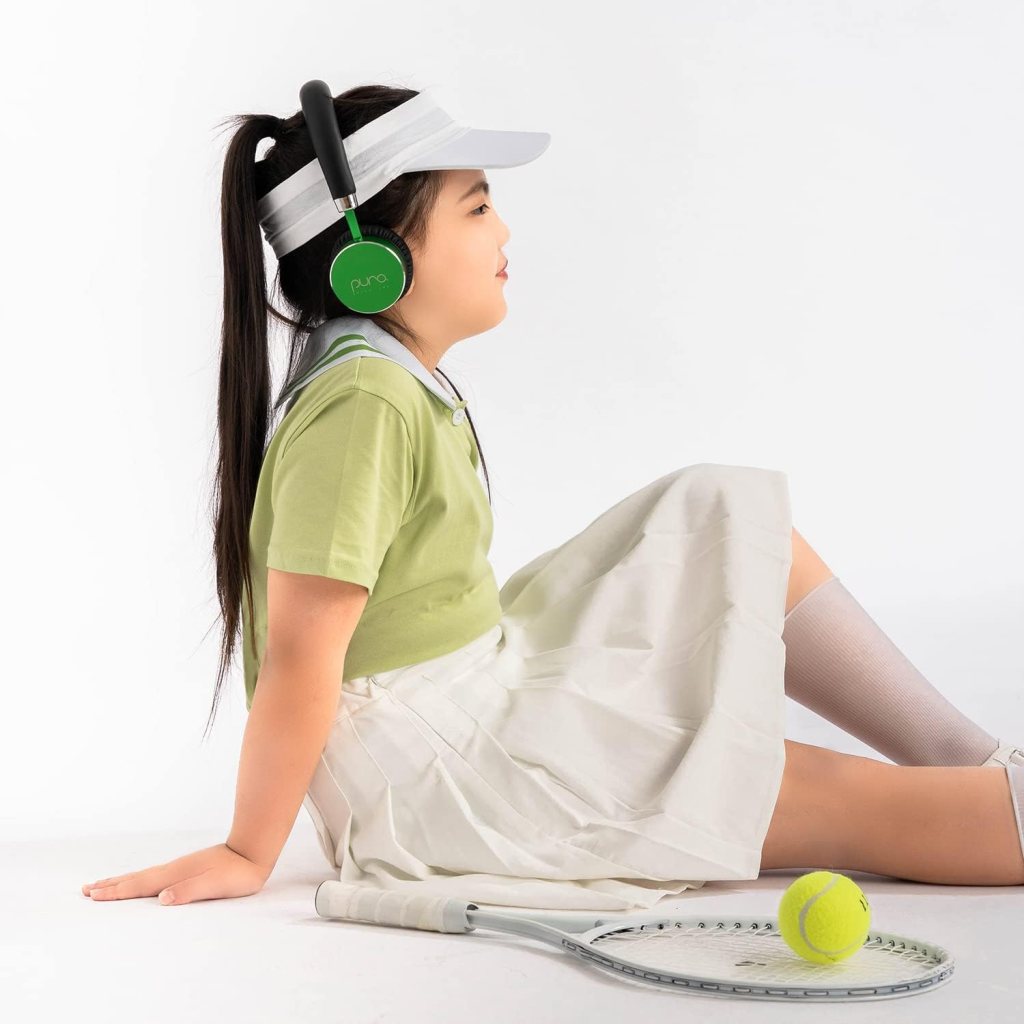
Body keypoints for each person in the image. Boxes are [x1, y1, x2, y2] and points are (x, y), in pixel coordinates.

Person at [81, 83, 1024, 910]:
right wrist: (250, 850)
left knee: (716, 513)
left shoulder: (384, 382)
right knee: (804, 793)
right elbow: (301, 654)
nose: (503, 232)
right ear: (375, 259)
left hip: (473, 692)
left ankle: (976, 760)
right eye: (477, 206)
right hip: (448, 773)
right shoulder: (362, 403)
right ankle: (991, 796)